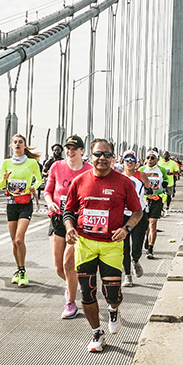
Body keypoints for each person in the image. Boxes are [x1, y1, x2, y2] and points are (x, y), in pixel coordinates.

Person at [64, 138, 142, 352]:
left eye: (107, 155)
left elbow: (137, 212)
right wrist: (69, 228)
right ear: (91, 157)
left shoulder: (124, 182)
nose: (102, 159)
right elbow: (68, 211)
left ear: (113, 158)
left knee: (113, 294)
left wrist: (126, 229)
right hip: (85, 244)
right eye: (98, 154)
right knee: (87, 293)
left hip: (111, 245)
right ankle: (97, 333)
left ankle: (113, 309)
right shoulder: (79, 181)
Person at [44, 135, 92, 318]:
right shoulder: (57, 166)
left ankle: (70, 303)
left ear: (82, 151)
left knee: (68, 263)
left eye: (74, 148)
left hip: (77, 221)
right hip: (57, 219)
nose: (70, 151)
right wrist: (49, 202)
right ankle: (72, 285)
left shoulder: (89, 170)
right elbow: (48, 191)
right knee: (58, 267)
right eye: (68, 148)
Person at [0, 134, 42, 287]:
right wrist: (4, 178)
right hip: (11, 204)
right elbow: (1, 186)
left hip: (25, 204)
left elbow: (39, 179)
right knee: (13, 242)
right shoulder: (6, 163)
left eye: (20, 142)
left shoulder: (31, 163)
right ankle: (18, 269)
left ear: (24, 145)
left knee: (19, 239)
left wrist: (33, 187)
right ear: (12, 146)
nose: (17, 144)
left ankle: (23, 270)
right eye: (15, 142)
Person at [121, 149, 149, 287]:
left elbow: (149, 190)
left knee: (136, 247)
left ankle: (136, 261)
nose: (130, 162)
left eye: (132, 159)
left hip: (139, 214)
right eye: (127, 159)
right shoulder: (118, 177)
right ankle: (127, 276)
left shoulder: (141, 175)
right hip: (123, 216)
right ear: (123, 162)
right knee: (124, 248)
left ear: (136, 162)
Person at [139, 150, 168, 259]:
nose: (150, 160)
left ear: (157, 159)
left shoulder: (161, 170)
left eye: (152, 158)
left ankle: (150, 249)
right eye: (148, 158)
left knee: (153, 224)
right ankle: (147, 237)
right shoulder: (141, 170)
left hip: (157, 199)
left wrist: (165, 183)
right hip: (144, 200)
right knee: (146, 225)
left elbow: (166, 180)